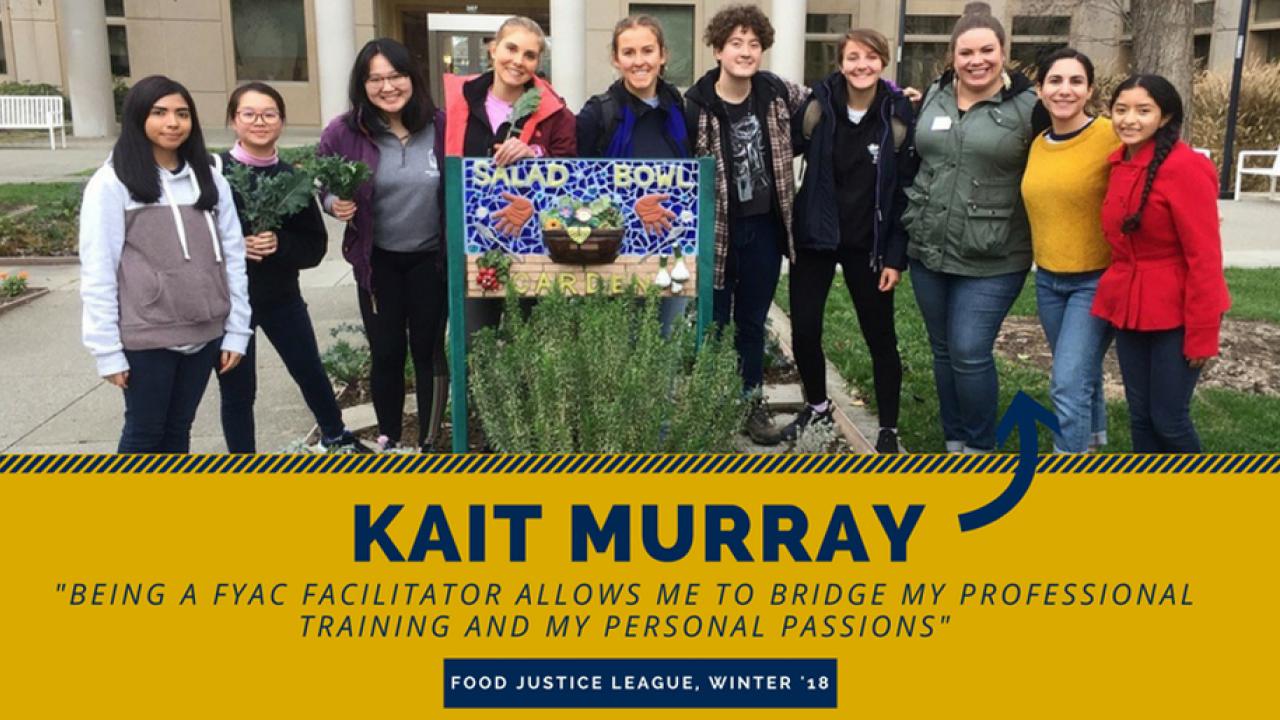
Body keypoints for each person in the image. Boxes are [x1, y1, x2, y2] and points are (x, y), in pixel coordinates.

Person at [79, 75, 250, 453]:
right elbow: (98, 269)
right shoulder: (112, 184)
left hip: (204, 333)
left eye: (182, 113)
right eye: (160, 113)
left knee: (178, 431)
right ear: (138, 117)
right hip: (148, 336)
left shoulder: (210, 180)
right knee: (144, 434)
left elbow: (234, 258)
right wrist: (106, 349)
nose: (172, 123)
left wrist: (237, 329)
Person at [901, 2, 1044, 453]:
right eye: (966, 52)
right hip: (929, 247)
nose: (976, 60)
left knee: (968, 349)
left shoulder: (1030, 107)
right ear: (952, 56)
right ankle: (955, 438)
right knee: (943, 350)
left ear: (1004, 52)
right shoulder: (935, 95)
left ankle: (981, 446)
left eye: (987, 50)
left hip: (994, 254)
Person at [683, 2, 811, 445]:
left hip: (764, 230)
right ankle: (710, 405)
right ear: (718, 49)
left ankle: (749, 404)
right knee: (714, 324)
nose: (745, 51)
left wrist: (892, 94)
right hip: (717, 233)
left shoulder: (776, 93)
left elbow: (826, 101)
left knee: (752, 324)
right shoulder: (695, 105)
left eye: (754, 44)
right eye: (736, 43)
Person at [216, 82, 368, 453]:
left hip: (280, 295)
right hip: (230, 303)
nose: (260, 122)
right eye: (249, 114)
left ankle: (336, 436)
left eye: (269, 114)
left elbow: (314, 247)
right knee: (237, 387)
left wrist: (280, 245)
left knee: (309, 370)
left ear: (281, 121)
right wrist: (234, 246)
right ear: (234, 121)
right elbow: (192, 238)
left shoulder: (294, 178)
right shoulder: (214, 173)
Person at [785, 27, 915, 453]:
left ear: (883, 62)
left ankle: (889, 429)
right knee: (804, 328)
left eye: (871, 57)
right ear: (840, 63)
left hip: (869, 243)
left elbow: (903, 193)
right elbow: (783, 146)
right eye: (853, 57)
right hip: (816, 236)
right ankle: (818, 407)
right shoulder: (817, 107)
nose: (862, 65)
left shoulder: (897, 115)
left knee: (880, 337)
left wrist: (895, 256)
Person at [318, 38, 447, 453]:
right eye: (375, 79)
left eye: (395, 76)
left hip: (431, 261)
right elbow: (320, 180)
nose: (387, 87)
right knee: (387, 353)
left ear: (412, 78)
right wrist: (330, 201)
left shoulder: (441, 126)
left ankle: (429, 440)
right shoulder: (345, 131)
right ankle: (389, 437)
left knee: (427, 353)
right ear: (362, 84)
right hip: (377, 263)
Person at [1092, 75, 1230, 453]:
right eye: (1120, 110)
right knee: (1140, 415)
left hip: (1178, 311)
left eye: (1143, 110)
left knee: (1169, 418)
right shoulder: (1119, 164)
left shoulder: (1186, 167)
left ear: (1166, 116)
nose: (1129, 120)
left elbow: (1204, 257)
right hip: (1130, 308)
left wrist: (1202, 332)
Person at [443, 16, 577, 341]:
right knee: (477, 346)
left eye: (529, 55)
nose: (518, 61)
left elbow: (571, 176)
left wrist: (536, 155)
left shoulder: (556, 115)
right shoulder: (459, 104)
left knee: (534, 350)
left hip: (534, 247)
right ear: (493, 49)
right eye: (511, 48)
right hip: (474, 245)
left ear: (538, 62)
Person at [1020, 48, 1118, 454]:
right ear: (1040, 90)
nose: (1065, 90)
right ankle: (1090, 451)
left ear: (1090, 89)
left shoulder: (1111, 135)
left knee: (1066, 383)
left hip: (1096, 280)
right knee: (1083, 378)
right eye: (1055, 81)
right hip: (1048, 279)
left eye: (1076, 81)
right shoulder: (1039, 143)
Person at [576, 14, 692, 334]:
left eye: (647, 51)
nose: (639, 61)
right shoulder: (598, 113)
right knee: (617, 347)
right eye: (628, 53)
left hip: (671, 250)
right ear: (616, 59)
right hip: (614, 253)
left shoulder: (679, 109)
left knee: (665, 345)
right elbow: (577, 184)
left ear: (662, 55)